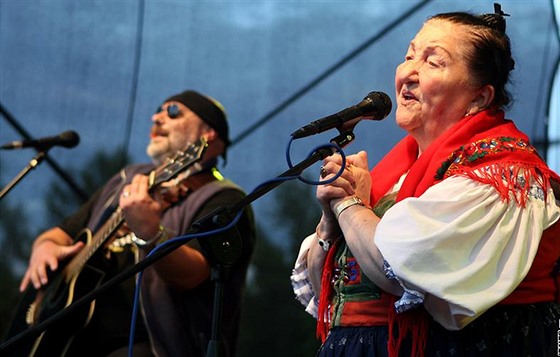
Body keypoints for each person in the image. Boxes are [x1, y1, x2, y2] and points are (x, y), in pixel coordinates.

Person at [291, 5, 560, 357]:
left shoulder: (502, 174)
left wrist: (348, 203)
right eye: (409, 56)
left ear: (480, 96)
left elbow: (399, 266)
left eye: (434, 62)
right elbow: (329, 288)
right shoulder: (394, 174)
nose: (408, 73)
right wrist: (330, 221)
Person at [8, 90, 256, 356]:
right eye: (158, 110)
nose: (157, 117)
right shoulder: (127, 178)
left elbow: (193, 275)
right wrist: (44, 247)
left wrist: (150, 233)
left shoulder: (224, 198)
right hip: (72, 336)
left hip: (151, 346)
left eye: (173, 111)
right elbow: (60, 234)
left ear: (208, 135)